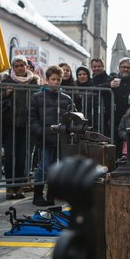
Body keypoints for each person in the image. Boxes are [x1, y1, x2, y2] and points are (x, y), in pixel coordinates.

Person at [0, 55, 41, 200]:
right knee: (11, 156)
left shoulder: (34, 81)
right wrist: (6, 94)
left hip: (27, 125)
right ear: (13, 68)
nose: (19, 68)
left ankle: (21, 186)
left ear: (26, 66)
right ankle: (10, 187)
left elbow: (39, 101)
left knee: (24, 156)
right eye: (16, 66)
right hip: (9, 125)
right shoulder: (6, 81)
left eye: (22, 65)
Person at [31, 65, 73, 206]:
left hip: (60, 139)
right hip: (44, 138)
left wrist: (67, 130)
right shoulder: (37, 97)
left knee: (57, 168)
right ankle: (37, 195)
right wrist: (40, 131)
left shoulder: (66, 98)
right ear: (47, 80)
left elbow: (73, 116)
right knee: (43, 166)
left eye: (58, 79)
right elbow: (32, 118)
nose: (56, 82)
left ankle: (51, 195)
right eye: (53, 79)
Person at [90, 58, 113, 138]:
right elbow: (93, 89)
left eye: (99, 66)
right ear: (91, 68)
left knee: (105, 135)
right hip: (93, 111)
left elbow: (95, 89)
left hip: (106, 112)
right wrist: (108, 85)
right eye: (94, 67)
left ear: (103, 66)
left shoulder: (109, 79)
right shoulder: (91, 80)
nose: (97, 68)